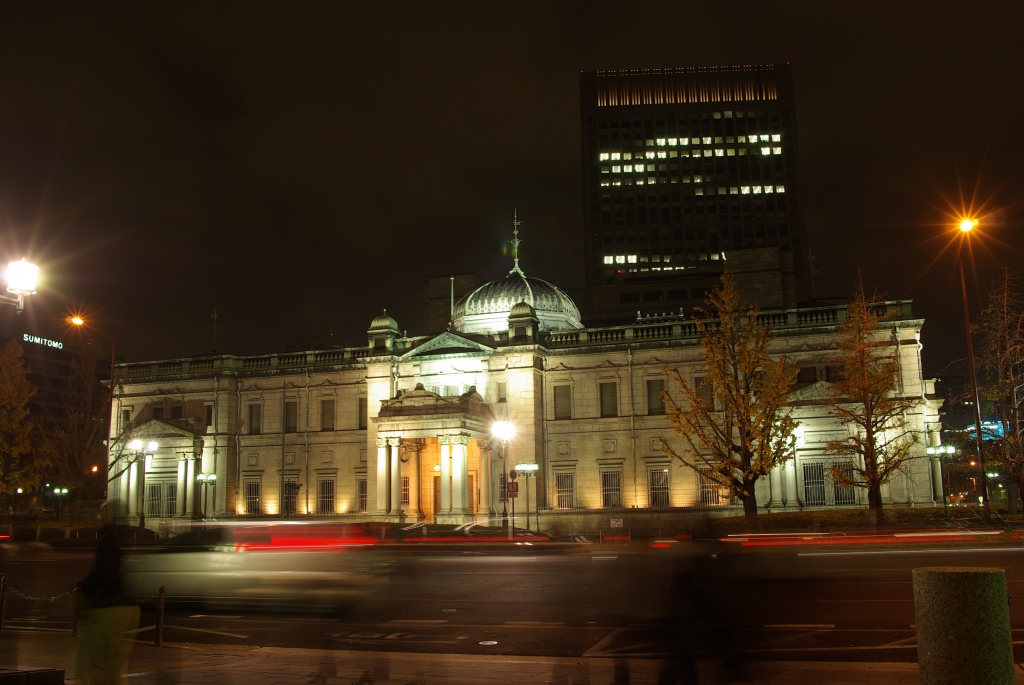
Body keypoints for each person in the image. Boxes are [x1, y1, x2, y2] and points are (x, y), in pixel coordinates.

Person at [75, 523, 140, 685]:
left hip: (108, 607)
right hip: (128, 606)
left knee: (95, 662)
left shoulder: (109, 545)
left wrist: (84, 590)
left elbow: (102, 572)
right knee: (116, 666)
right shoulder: (131, 543)